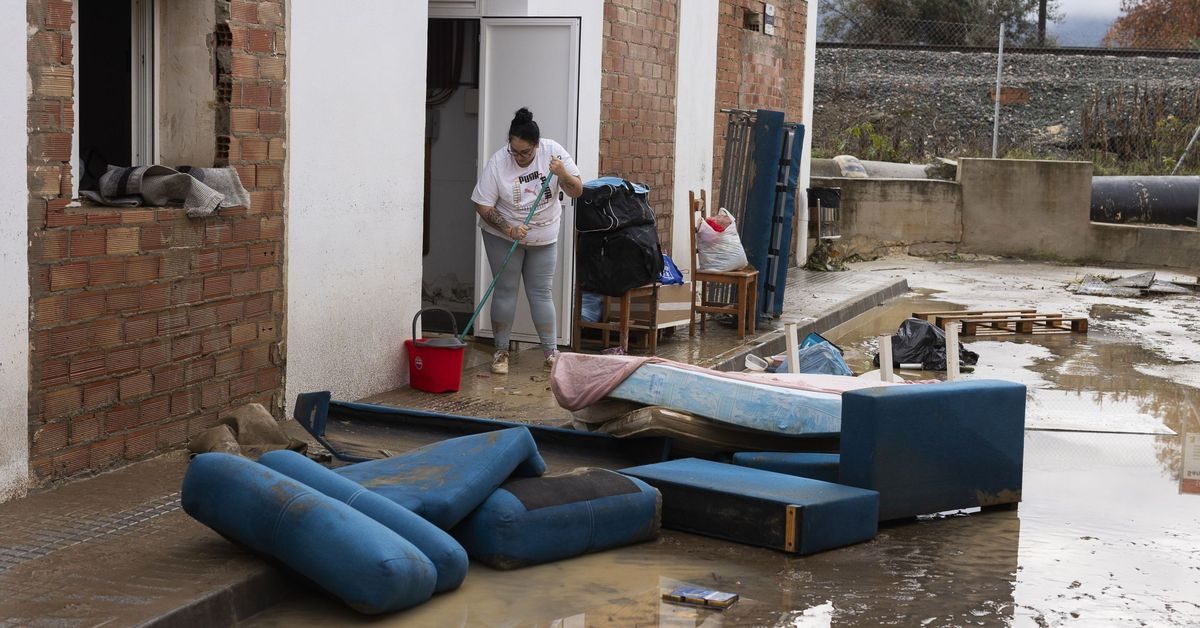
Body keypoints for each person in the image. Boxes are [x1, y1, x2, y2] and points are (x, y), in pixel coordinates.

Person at [471, 107, 583, 374]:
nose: (519, 157)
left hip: (544, 235)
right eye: (515, 151)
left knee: (541, 293)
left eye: (525, 152)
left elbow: (577, 190)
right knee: (506, 289)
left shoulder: (552, 152)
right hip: (503, 235)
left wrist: (562, 174)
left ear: (536, 145)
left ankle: (551, 353)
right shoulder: (499, 163)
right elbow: (482, 205)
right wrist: (509, 229)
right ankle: (500, 352)